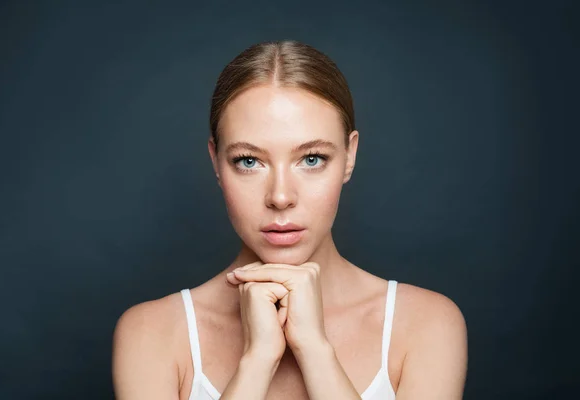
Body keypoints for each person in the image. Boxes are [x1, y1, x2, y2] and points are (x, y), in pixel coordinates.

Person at [112, 40, 468, 400]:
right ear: (216, 162)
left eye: (312, 159)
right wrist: (257, 360)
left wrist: (315, 350)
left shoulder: (425, 325)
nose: (281, 197)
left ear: (349, 156)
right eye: (249, 161)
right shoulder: (151, 333)